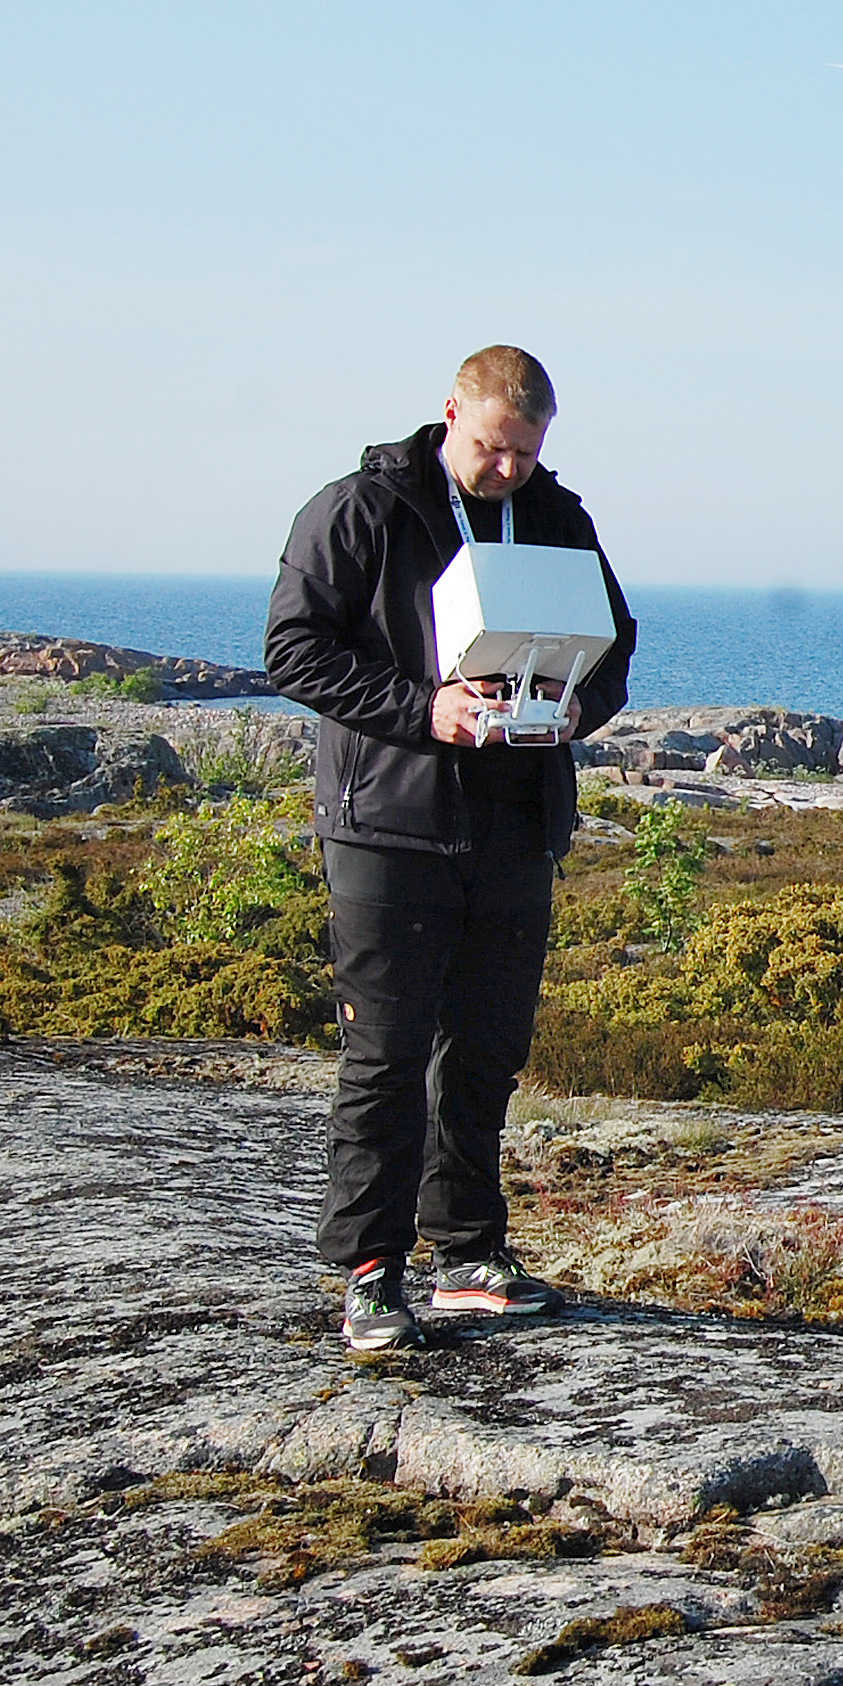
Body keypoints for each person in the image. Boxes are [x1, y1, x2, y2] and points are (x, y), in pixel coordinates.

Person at [266, 346, 635, 1352]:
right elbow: (293, 647)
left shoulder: (557, 517)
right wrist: (425, 710)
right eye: (491, 446)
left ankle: (468, 1250)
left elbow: (615, 648)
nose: (508, 467)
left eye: (525, 449)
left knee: (483, 1050)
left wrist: (570, 713)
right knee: (385, 1054)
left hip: (516, 825)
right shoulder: (363, 508)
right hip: (391, 823)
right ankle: (372, 1272)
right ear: (448, 415)